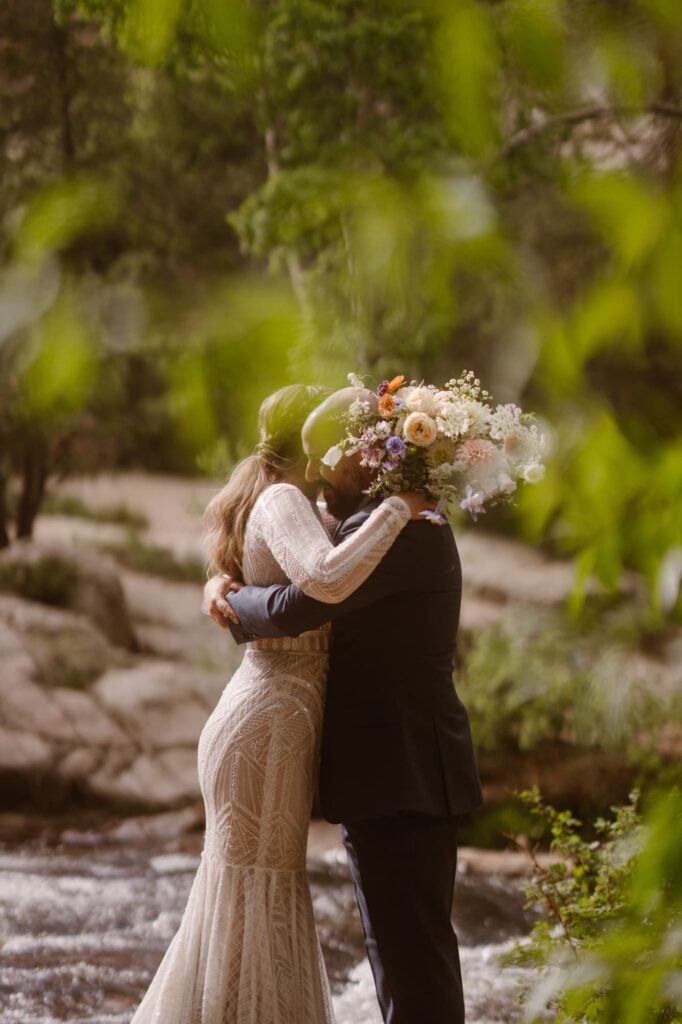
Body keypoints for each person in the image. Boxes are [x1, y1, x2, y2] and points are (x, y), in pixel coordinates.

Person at [130, 383, 429, 1024]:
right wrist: (401, 509)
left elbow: (285, 573)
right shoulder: (284, 497)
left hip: (281, 716)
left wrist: (220, 587)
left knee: (258, 896)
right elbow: (323, 579)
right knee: (253, 895)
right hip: (270, 718)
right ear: (312, 440)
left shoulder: (298, 500)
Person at [204, 385, 484, 1024]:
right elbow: (296, 564)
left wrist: (233, 605)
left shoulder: (408, 529)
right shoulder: (372, 524)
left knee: (414, 966)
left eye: (327, 459)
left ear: (364, 457)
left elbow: (303, 603)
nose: (320, 476)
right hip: (389, 775)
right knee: (403, 959)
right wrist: (221, 581)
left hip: (403, 773)